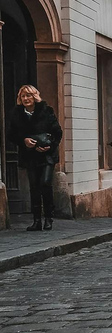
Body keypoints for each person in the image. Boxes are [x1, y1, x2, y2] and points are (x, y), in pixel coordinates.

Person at [7, 85, 63, 231]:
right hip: (30, 156)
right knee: (34, 187)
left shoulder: (46, 111)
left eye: (29, 96)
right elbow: (11, 135)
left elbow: (57, 132)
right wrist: (24, 141)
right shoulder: (17, 114)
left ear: (35, 97)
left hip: (47, 155)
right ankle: (37, 220)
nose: (26, 99)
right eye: (23, 96)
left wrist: (49, 146)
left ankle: (49, 218)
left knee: (45, 183)